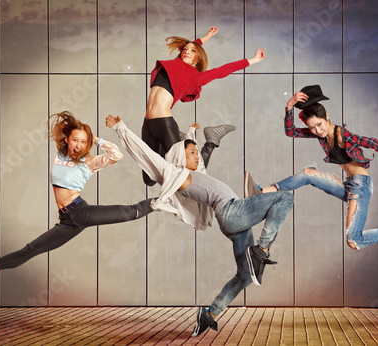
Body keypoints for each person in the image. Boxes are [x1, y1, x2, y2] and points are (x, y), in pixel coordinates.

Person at [105, 114, 294, 337]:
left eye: (197, 152)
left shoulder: (198, 174)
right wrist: (120, 128)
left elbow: (200, 161)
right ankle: (261, 250)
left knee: (244, 275)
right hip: (232, 211)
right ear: (178, 157)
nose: (198, 156)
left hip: (235, 224)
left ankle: (210, 314)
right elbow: (144, 153)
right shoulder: (175, 172)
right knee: (285, 197)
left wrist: (191, 134)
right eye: (192, 153)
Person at [0, 111, 154, 287]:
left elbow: (117, 156)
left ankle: (161, 201)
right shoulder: (60, 153)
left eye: (83, 142)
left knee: (130, 212)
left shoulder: (89, 161)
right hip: (67, 220)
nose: (79, 145)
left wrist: (97, 140)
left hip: (80, 211)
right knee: (30, 250)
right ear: (67, 139)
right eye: (75, 140)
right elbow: (62, 133)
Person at [245, 85, 378, 254]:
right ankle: (261, 192)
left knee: (353, 241)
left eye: (320, 124)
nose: (317, 130)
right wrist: (289, 106)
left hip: (360, 187)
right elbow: (291, 131)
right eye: (312, 127)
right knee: (308, 174)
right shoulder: (321, 136)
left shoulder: (342, 136)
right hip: (348, 185)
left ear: (327, 117)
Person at [143, 26, 266, 185]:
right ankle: (180, 141)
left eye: (193, 51)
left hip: (164, 123)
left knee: (186, 176)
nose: (187, 51)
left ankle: (209, 143)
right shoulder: (175, 64)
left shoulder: (196, 77)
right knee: (149, 179)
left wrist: (252, 60)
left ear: (198, 59)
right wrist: (207, 36)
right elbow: (193, 45)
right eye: (185, 49)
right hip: (147, 124)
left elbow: (223, 70)